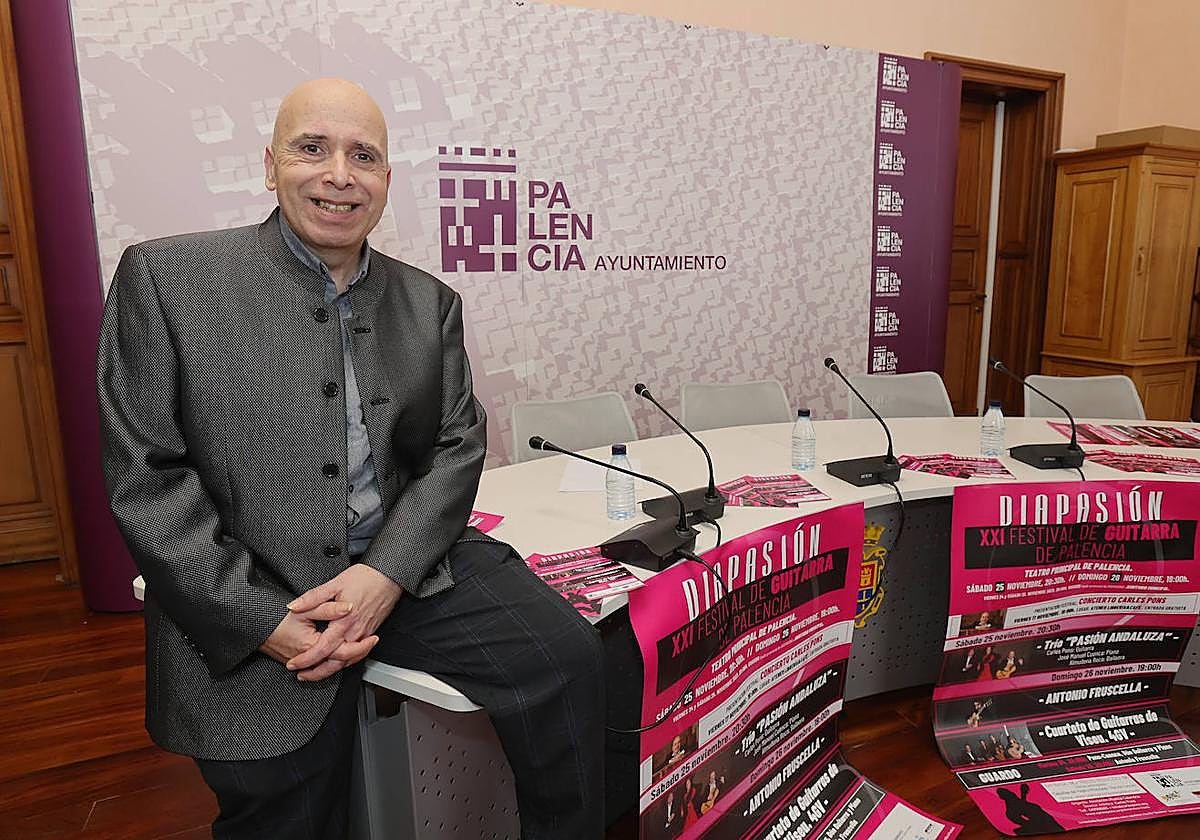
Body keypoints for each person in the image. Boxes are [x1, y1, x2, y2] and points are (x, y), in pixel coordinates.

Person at [96, 78, 604, 840]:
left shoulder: (428, 303)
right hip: (250, 595)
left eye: (363, 156)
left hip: (403, 567)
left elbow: (456, 446)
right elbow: (147, 480)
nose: (339, 174)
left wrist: (383, 574)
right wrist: (264, 620)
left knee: (567, 659)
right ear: (270, 165)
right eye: (312, 148)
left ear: (386, 182)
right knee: (289, 808)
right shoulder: (166, 280)